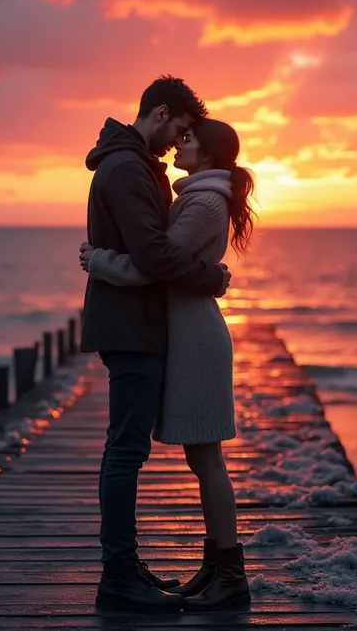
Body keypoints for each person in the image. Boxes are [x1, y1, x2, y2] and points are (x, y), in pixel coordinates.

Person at [81, 117, 256, 611]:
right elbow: (170, 263)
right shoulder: (197, 196)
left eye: (189, 138)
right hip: (188, 333)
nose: (180, 144)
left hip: (197, 339)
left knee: (207, 459)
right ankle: (217, 565)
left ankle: (230, 574)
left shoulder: (202, 202)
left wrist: (98, 260)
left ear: (210, 151)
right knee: (202, 459)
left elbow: (151, 265)